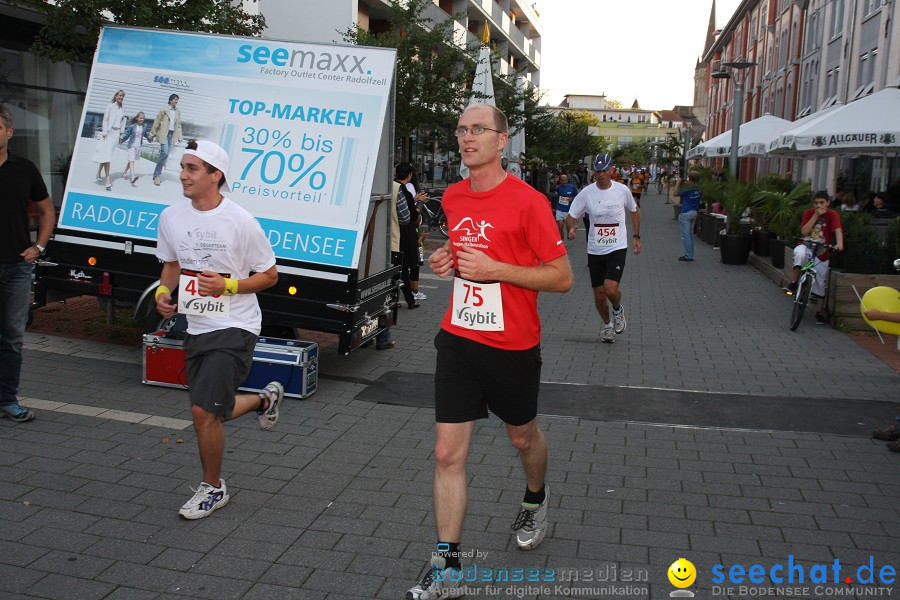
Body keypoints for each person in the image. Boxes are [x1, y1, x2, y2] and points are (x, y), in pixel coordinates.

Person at [406, 104, 572, 600]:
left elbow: (561, 277)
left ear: (503, 141)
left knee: (523, 439)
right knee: (446, 452)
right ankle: (448, 566)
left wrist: (498, 269)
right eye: (461, 129)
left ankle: (536, 499)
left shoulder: (529, 202)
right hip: (459, 337)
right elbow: (464, 256)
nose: (466, 137)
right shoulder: (454, 196)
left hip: (513, 345)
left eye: (478, 129)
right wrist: (447, 259)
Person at [154, 140, 283, 519]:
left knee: (202, 414)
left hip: (236, 325)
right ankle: (264, 400)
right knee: (215, 411)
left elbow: (270, 275)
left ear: (216, 175)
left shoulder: (241, 221)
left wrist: (228, 286)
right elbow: (172, 265)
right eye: (183, 167)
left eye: (193, 168)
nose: (183, 175)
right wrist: (163, 292)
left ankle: (213, 488)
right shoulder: (171, 217)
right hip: (197, 324)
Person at [0, 103, 55, 423]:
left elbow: (48, 212)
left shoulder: (25, 169)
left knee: (12, 337)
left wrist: (39, 246)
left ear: (9, 132)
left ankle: (7, 400)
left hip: (18, 267)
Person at [566, 153, 642, 344]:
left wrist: (636, 236)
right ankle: (608, 326)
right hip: (595, 248)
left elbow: (634, 210)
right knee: (599, 295)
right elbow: (571, 214)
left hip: (617, 245)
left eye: (603, 171)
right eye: (597, 171)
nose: (600, 175)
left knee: (610, 288)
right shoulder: (587, 192)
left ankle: (617, 309)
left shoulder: (622, 190)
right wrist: (572, 228)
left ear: (611, 171)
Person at [787, 190, 844, 325]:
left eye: (822, 203)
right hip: (807, 245)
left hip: (822, 250)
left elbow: (838, 230)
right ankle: (794, 283)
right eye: (816, 203)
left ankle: (819, 311)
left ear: (828, 203)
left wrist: (839, 244)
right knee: (799, 254)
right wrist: (815, 216)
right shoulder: (809, 213)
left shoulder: (832, 215)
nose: (819, 205)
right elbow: (804, 232)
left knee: (820, 280)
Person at [395, 163, 422, 310]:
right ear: (410, 175)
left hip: (395, 233)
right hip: (404, 234)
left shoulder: (393, 187)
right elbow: (408, 216)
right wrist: (418, 207)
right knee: (404, 267)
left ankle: (400, 300)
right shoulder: (402, 189)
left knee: (399, 268)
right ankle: (410, 300)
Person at [91, 89, 126, 191]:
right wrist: (104, 131)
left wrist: (121, 134)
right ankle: (107, 179)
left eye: (122, 96)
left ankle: (98, 173)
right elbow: (105, 120)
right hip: (108, 133)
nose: (121, 97)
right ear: (116, 96)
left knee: (107, 155)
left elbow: (123, 121)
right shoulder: (110, 106)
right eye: (119, 95)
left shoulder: (122, 108)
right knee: (107, 156)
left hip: (116, 133)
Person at [149, 94, 183, 186]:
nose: (176, 101)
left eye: (177, 100)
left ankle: (156, 174)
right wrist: (152, 134)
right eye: (175, 99)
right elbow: (156, 122)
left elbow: (179, 125)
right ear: (170, 100)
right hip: (164, 134)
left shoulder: (178, 112)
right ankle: (157, 175)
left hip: (171, 135)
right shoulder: (164, 110)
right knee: (165, 153)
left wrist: (180, 136)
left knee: (165, 154)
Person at [674, 171, 703, 261]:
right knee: (690, 235)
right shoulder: (699, 188)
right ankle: (690, 254)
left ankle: (688, 255)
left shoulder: (687, 189)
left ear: (689, 179)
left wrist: (678, 183)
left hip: (686, 213)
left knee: (686, 235)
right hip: (694, 212)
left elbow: (675, 193)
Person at [120, 112, 150, 186]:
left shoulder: (144, 126)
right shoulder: (132, 126)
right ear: (137, 118)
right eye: (140, 118)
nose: (142, 119)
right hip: (132, 145)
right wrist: (121, 140)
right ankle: (132, 177)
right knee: (132, 160)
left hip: (138, 146)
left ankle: (124, 173)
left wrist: (149, 138)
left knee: (131, 160)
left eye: (143, 118)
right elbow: (127, 135)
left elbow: (145, 134)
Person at [555, 173, 578, 240]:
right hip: (559, 208)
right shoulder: (559, 187)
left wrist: (572, 198)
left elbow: (577, 196)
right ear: (561, 181)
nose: (565, 182)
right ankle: (561, 236)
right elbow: (554, 188)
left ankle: (568, 232)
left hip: (568, 209)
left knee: (568, 225)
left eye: (566, 180)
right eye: (563, 180)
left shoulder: (572, 187)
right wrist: (555, 182)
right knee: (560, 224)